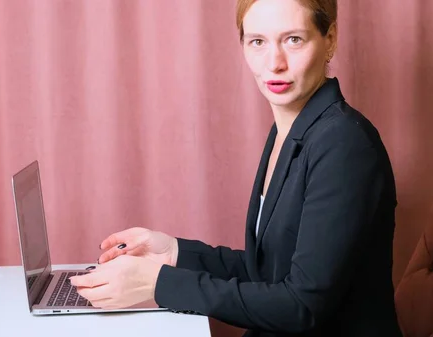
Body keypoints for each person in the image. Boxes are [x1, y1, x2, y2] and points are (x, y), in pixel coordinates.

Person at [70, 0, 403, 336]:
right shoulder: (290, 131)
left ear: (329, 39)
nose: (274, 63)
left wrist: (159, 284)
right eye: (258, 41)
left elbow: (302, 305)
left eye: (293, 40)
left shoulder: (345, 144)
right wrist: (174, 251)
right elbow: (266, 272)